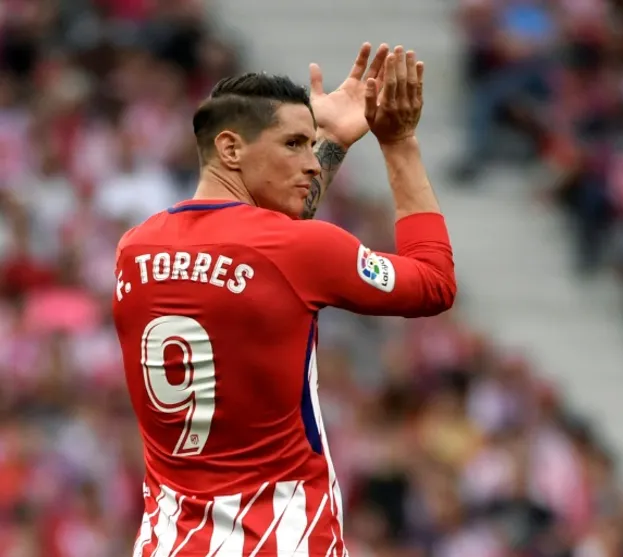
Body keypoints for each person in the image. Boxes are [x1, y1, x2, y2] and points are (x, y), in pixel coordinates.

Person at [112, 42, 456, 557]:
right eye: (294, 144)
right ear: (231, 149)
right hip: (283, 538)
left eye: (311, 146)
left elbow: (270, 253)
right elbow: (434, 282)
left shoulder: (135, 248)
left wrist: (332, 140)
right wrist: (399, 141)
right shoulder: (295, 251)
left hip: (169, 540)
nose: (313, 164)